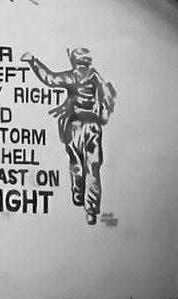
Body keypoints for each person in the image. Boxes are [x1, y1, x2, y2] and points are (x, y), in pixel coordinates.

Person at [21, 47, 117, 225]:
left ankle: (78, 193)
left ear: (74, 60)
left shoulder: (71, 76)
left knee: (76, 163)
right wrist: (103, 114)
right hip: (93, 126)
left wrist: (33, 62)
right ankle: (91, 209)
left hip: (74, 126)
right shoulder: (94, 75)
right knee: (93, 169)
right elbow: (108, 96)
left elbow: (49, 79)